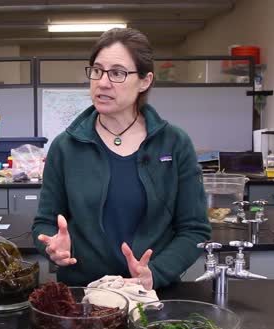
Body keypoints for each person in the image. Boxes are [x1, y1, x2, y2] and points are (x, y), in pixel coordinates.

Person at [32, 28, 211, 290]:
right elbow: (44, 222)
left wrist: (156, 273)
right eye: (97, 70)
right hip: (84, 293)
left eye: (117, 73)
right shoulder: (66, 146)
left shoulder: (174, 143)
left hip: (152, 294)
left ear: (145, 81)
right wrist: (51, 245)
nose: (103, 82)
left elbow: (195, 231)